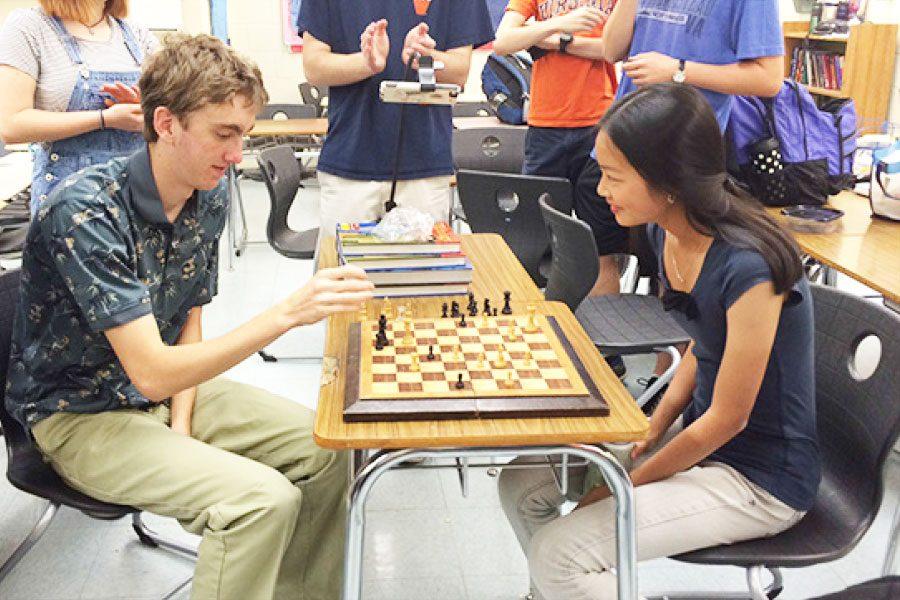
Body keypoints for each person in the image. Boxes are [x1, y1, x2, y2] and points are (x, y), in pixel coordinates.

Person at [5, 33, 374, 600]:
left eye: (243, 135)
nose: (235, 155)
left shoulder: (209, 193)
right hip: (81, 415)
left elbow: (186, 317)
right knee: (259, 502)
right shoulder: (85, 212)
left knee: (329, 450)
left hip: (161, 396)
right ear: (167, 123)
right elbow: (151, 370)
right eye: (223, 134)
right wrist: (285, 315)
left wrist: (182, 427)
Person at [498, 84, 820, 600]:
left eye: (613, 176)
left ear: (669, 181)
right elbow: (703, 339)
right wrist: (657, 422)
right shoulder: (664, 232)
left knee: (560, 551)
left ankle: (565, 577)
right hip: (703, 439)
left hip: (760, 480)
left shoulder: (749, 267)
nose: (601, 189)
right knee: (522, 486)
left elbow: (728, 419)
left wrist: (632, 480)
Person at [578, 0, 785, 382]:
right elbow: (611, 49)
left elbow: (768, 78)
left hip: (678, 156)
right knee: (625, 259)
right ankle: (634, 379)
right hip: (621, 145)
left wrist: (678, 72)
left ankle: (664, 383)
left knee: (683, 277)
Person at [298, 0, 494, 232]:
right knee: (345, 266)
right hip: (350, 160)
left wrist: (422, 56)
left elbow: (459, 72)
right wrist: (366, 63)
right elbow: (314, 67)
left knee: (423, 266)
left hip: (424, 164)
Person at [0, 0, 156, 216]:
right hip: (68, 211)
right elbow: (12, 125)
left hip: (137, 202)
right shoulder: (29, 27)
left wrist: (146, 110)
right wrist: (104, 119)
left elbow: (174, 113)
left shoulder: (136, 35)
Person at [492, 1, 616, 199]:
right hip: (546, 123)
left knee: (601, 217)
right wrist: (558, 24)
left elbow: (614, 50)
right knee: (537, 214)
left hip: (597, 121)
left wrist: (557, 42)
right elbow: (502, 41)